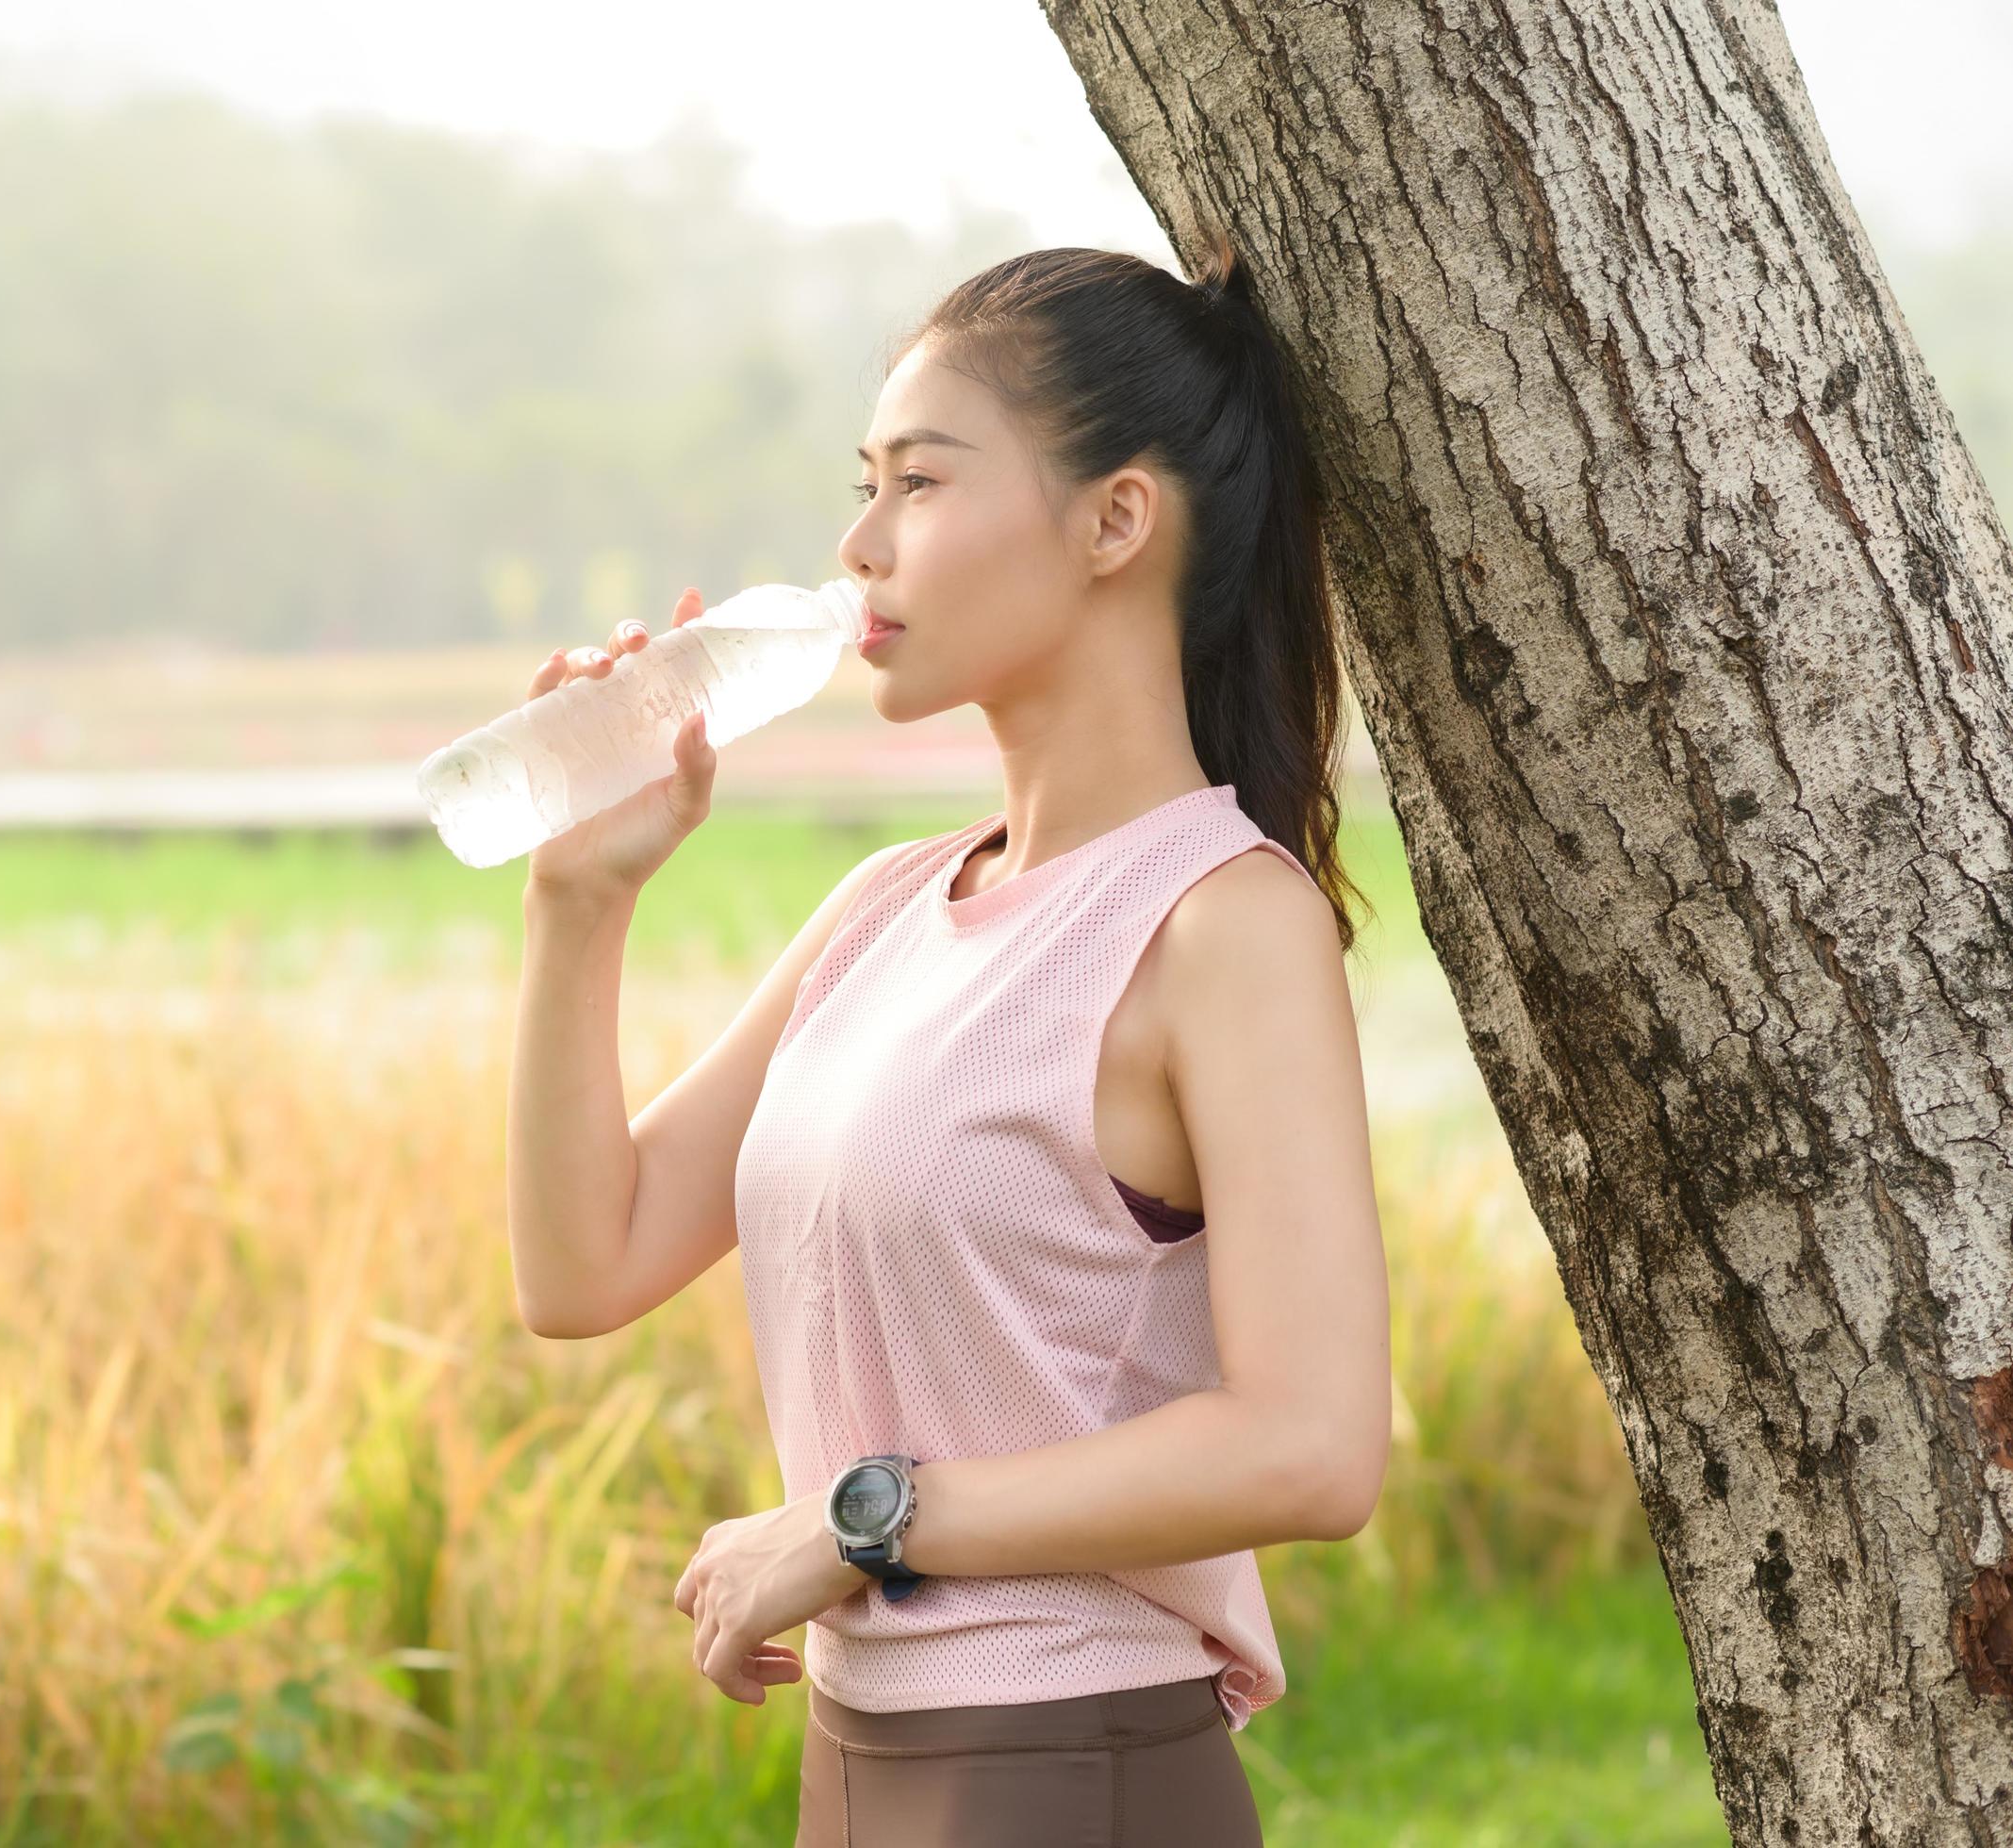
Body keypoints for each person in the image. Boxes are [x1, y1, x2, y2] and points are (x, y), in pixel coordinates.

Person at [504, 231, 1391, 1846]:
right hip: (859, 1760)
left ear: (1117, 520)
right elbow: (584, 1269)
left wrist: (862, 1522)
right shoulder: (883, 908)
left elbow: (1312, 1447)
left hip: (1067, 1760)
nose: (858, 545)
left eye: (918, 483)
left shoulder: (1218, 924)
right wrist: (580, 906)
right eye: (865, 484)